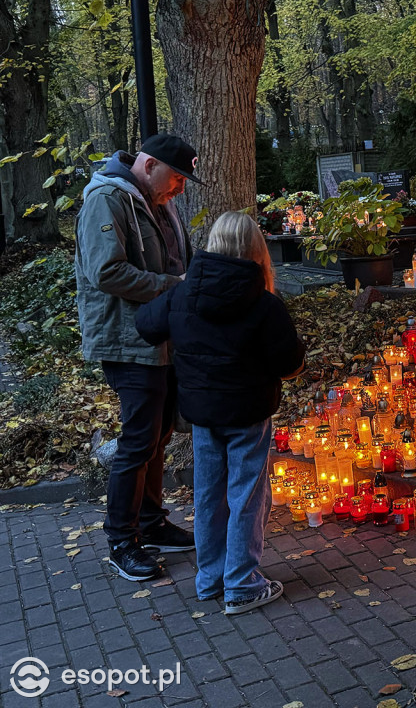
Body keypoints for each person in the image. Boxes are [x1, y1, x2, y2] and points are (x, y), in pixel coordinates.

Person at [136, 212, 305, 614]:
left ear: (213, 244)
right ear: (256, 249)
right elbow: (289, 363)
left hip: (202, 414)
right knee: (247, 494)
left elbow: (145, 325)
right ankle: (242, 583)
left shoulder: (183, 294)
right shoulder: (264, 304)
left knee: (210, 493)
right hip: (248, 413)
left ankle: (211, 577)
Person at [75, 134, 200, 582]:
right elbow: (107, 271)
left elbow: (175, 260)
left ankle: (151, 523)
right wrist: (176, 289)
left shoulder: (156, 201)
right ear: (149, 165)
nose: (180, 188)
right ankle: (122, 542)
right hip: (127, 341)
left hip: (160, 336)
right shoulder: (107, 200)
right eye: (177, 177)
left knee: (158, 435)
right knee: (139, 439)